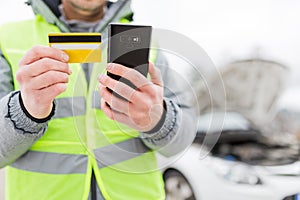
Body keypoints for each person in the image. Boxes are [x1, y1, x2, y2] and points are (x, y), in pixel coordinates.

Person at [0, 0, 196, 199]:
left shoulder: (147, 44)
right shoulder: (7, 39)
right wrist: (24, 110)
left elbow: (183, 138)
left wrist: (158, 120)